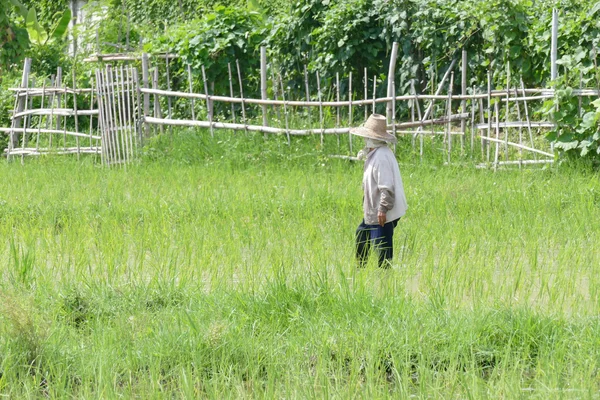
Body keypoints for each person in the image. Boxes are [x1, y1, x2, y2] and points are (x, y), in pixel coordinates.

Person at [350, 114, 408, 268]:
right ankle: (360, 269)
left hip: (382, 211)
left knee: (381, 246)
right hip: (374, 209)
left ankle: (385, 278)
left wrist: (382, 209)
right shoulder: (375, 153)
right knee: (362, 234)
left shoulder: (381, 156)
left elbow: (387, 187)